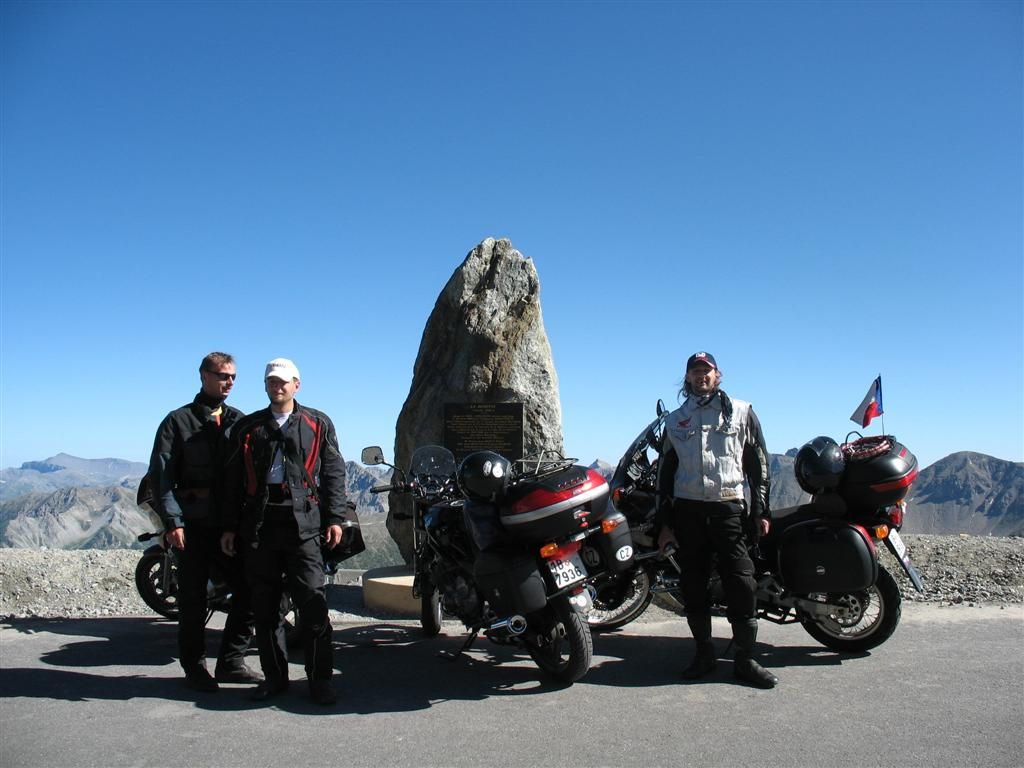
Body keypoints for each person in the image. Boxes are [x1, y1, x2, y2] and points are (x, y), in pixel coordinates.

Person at [221, 358, 347, 706]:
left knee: (313, 606)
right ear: (264, 386)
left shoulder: (317, 423)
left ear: (297, 385)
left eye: (283, 382)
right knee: (266, 609)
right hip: (260, 526)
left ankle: (320, 680)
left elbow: (334, 472)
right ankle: (275, 679)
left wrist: (335, 517)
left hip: (304, 525)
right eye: (271, 382)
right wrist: (230, 527)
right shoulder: (248, 428)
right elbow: (233, 482)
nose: (277, 387)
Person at [655, 351, 778, 689]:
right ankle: (704, 653)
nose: (701, 376)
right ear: (688, 379)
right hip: (688, 511)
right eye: (695, 372)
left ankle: (745, 659)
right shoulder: (675, 420)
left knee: (741, 581)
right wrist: (665, 524)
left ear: (718, 375)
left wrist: (760, 511)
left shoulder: (742, 412)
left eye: (706, 371)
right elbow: (665, 475)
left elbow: (759, 466)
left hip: (729, 509)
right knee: (693, 584)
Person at [148, 352, 260, 692]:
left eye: (233, 377)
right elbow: (162, 477)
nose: (228, 382)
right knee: (193, 600)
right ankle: (195, 668)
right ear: (203, 376)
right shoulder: (176, 422)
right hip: (191, 526)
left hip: (229, 526)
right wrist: (173, 522)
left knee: (250, 590)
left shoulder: (239, 422)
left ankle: (231, 662)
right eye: (222, 375)